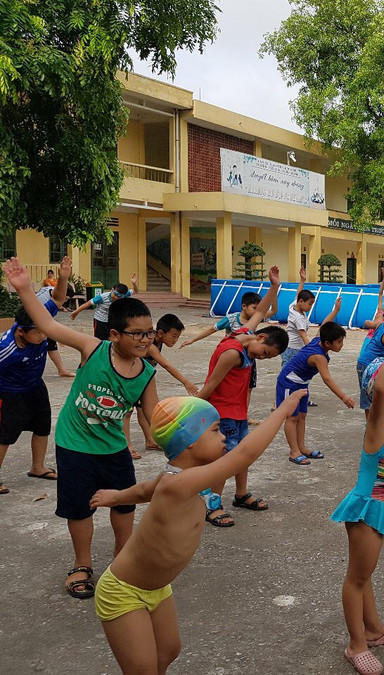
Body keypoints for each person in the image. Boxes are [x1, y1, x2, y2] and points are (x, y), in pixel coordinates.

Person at [89, 391, 305, 674]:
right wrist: (282, 411)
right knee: (142, 668)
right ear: (188, 441)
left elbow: (144, 490)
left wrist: (116, 497)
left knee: (168, 651)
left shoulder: (173, 477)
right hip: (123, 592)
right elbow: (244, 455)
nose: (223, 437)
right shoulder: (179, 483)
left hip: (157, 587)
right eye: (215, 430)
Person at [4, 256, 159, 600]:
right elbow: (47, 324)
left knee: (124, 505)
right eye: (137, 334)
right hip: (74, 446)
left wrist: (189, 439)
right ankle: (82, 564)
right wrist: (26, 289)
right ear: (115, 334)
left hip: (114, 449)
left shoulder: (147, 374)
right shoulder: (94, 349)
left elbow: (156, 418)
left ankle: (124, 561)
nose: (146, 339)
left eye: (150, 333)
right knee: (79, 508)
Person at [331, 314, 384, 675]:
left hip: (381, 507)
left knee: (365, 575)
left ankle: (375, 629)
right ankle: (356, 644)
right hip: (366, 509)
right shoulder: (377, 420)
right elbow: (379, 390)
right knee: (357, 578)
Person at [196, 267, 286, 527]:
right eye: (265, 352)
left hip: (238, 412)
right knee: (224, 460)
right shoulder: (233, 353)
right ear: (260, 337)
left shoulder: (246, 333)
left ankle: (240, 494)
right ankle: (213, 505)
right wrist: (192, 411)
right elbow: (210, 385)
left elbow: (260, 311)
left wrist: (274, 287)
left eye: (268, 358)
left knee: (243, 454)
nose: (263, 357)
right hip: (221, 413)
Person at [0, 256, 73, 494]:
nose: (44, 335)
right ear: (21, 332)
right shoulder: (7, 348)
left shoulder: (39, 320)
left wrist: (62, 278)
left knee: (42, 426)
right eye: (38, 333)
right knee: (5, 435)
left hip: (35, 386)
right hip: (10, 393)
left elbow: (59, 298)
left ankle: (38, 466)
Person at [181, 288, 277, 425]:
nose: (257, 311)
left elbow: (267, 311)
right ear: (244, 306)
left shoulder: (249, 330)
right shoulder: (233, 338)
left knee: (247, 387)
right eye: (254, 307)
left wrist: (275, 286)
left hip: (247, 359)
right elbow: (211, 329)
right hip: (230, 361)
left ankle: (243, 413)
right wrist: (193, 340)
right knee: (220, 385)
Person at [277, 303, 355, 465]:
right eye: (339, 342)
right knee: (291, 417)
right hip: (288, 383)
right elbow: (327, 379)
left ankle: (302, 447)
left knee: (302, 416)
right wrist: (343, 396)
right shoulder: (318, 356)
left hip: (302, 384)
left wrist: (335, 310)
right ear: (328, 343)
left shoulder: (319, 339)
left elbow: (325, 323)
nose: (342, 345)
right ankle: (294, 452)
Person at [131, 314, 199, 454]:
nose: (175, 340)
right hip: (131, 377)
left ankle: (150, 440)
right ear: (161, 333)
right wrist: (186, 382)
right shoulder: (150, 344)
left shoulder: (158, 341)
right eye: (173, 336)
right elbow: (166, 365)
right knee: (127, 412)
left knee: (143, 409)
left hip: (143, 378)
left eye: (177, 337)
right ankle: (128, 446)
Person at [70, 274, 139, 340]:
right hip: (100, 320)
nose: (116, 297)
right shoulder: (102, 297)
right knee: (99, 340)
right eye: (115, 294)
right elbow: (88, 304)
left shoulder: (124, 295)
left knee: (112, 338)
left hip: (112, 320)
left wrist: (134, 283)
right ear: (112, 290)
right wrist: (76, 312)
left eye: (119, 296)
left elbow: (135, 291)